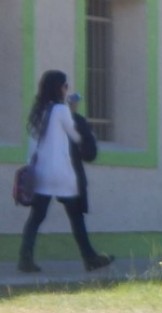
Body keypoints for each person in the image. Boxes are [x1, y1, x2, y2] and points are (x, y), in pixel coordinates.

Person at [18, 70, 113, 274]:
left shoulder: (39, 111)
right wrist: (73, 112)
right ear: (59, 88)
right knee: (76, 216)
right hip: (61, 174)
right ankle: (90, 258)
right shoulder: (61, 110)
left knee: (36, 217)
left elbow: (33, 143)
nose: (66, 89)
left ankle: (25, 259)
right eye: (65, 86)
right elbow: (75, 135)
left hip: (42, 173)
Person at [66, 92, 97, 216]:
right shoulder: (77, 120)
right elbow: (86, 141)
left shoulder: (78, 120)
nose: (75, 105)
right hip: (72, 165)